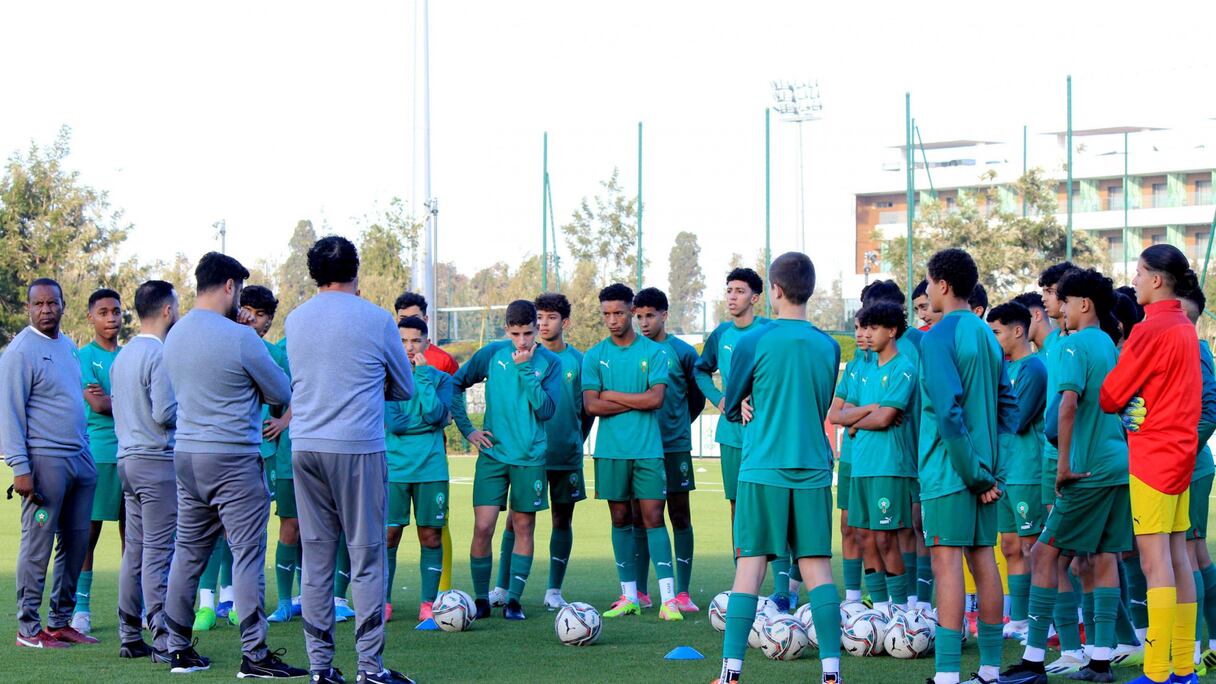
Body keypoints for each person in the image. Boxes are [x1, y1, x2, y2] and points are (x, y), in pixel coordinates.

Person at [161, 252, 302, 677]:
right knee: (246, 555)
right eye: (239, 290)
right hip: (233, 456)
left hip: (186, 455)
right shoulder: (242, 337)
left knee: (187, 554)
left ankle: (178, 648)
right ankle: (254, 655)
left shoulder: (176, 333)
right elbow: (280, 390)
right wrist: (249, 339)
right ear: (228, 286)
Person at [284, 236, 415, 684]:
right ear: (356, 270)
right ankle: (370, 668)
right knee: (366, 556)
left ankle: (321, 668)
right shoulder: (377, 319)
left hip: (304, 446)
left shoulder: (295, 320)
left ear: (313, 273)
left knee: (317, 558)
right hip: (357, 446)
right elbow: (405, 388)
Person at [713, 251, 843, 684]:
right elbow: (821, 403)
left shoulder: (755, 339)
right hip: (812, 467)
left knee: (749, 566)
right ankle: (831, 674)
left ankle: (731, 674)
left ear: (775, 290)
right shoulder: (827, 344)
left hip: (762, 468)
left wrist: (748, 401)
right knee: (817, 568)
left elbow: (732, 405)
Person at [1000, 268, 1130, 684]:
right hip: (1116, 464)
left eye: (1066, 301)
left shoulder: (1073, 346)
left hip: (1085, 468)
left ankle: (1034, 659)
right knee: (1101, 557)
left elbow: (1069, 405)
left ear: (1084, 305)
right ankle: (1099, 661)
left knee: (1043, 554)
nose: (1062, 308)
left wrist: (1064, 465)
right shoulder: (1109, 344)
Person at [1100, 244, 1203, 684]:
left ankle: (1159, 672)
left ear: (1157, 279)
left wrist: (1130, 403)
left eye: (1139, 273)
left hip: (1153, 458)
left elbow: (1109, 396)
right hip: (1181, 455)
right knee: (1179, 558)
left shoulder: (1150, 329)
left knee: (1155, 561)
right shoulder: (1184, 326)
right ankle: (1184, 668)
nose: (1135, 280)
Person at [918, 248, 1016, 684]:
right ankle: (990, 670)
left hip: (951, 473)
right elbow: (1007, 407)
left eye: (927, 283)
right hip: (984, 475)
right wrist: (994, 470)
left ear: (941, 285)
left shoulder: (938, 336)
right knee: (984, 561)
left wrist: (976, 475)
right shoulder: (986, 334)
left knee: (946, 565)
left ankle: (947, 675)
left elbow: (948, 412)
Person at [1, 278, 99, 649]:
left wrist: (85, 448)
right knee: (38, 544)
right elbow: (9, 413)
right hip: (45, 468)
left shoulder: (68, 347)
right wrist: (20, 468)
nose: (46, 310)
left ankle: (60, 622)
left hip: (79, 462)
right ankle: (28, 628)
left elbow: (73, 401)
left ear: (62, 306)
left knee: (76, 541)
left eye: (52, 303)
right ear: (29, 308)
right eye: (38, 304)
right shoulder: (20, 352)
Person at [450, 300, 561, 621]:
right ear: (506, 330)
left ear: (537, 329)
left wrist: (526, 369)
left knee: (524, 526)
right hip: (493, 455)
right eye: (516, 334)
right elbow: (456, 383)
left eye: (528, 333)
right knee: (483, 527)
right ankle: (481, 599)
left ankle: (514, 600)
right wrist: (468, 429)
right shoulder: (492, 354)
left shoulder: (549, 362)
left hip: (530, 457)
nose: (523, 341)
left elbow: (546, 410)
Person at [583, 283, 683, 621]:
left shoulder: (655, 354)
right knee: (620, 519)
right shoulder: (594, 355)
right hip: (610, 452)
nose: (612, 320)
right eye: (606, 314)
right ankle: (629, 597)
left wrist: (612, 394)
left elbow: (655, 400)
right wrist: (630, 399)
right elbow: (592, 405)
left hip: (647, 451)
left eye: (619, 313)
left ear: (630, 311)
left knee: (654, 518)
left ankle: (669, 600)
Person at [111, 280, 180, 662]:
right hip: (156, 461)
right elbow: (165, 412)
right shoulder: (159, 355)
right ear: (167, 310)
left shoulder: (123, 355)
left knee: (134, 552)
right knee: (158, 551)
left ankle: (129, 633)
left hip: (127, 461)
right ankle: (163, 638)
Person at [694, 268, 772, 590]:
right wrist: (721, 398)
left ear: (755, 298)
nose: (731, 296)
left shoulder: (769, 331)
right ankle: (742, 577)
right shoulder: (721, 334)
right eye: (728, 290)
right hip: (731, 435)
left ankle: (781, 590)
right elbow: (700, 371)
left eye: (739, 291)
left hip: (765, 434)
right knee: (737, 507)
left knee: (771, 506)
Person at [631, 287, 705, 613]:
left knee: (679, 513)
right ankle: (641, 591)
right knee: (641, 515)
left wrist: (678, 423)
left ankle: (684, 592)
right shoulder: (633, 351)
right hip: (640, 446)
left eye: (650, 315)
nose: (644, 323)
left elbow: (697, 396)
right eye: (639, 316)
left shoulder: (683, 352)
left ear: (664, 314)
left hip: (674, 446)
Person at [846, 301, 918, 616]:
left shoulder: (903, 367)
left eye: (875, 328)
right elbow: (838, 414)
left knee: (887, 539)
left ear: (892, 331)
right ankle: (879, 609)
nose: (868, 334)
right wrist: (863, 415)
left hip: (890, 466)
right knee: (864, 537)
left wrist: (854, 423)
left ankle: (902, 612)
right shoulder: (865, 370)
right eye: (866, 327)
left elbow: (886, 418)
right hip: (861, 466)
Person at [985, 302, 1047, 644]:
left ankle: (1041, 620)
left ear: (1017, 331)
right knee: (1009, 545)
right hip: (1004, 471)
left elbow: (1016, 419)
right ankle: (1020, 618)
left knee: (1032, 547)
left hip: (1026, 470)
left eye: (997, 332)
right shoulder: (1003, 368)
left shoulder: (1033, 369)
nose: (993, 340)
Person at [386, 316, 453, 623]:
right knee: (388, 536)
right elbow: (395, 423)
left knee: (431, 536)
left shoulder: (440, 379)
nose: (409, 347)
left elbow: (438, 415)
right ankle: (382, 602)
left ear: (426, 342)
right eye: (402, 341)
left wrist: (424, 375)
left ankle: (429, 603)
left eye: (415, 340)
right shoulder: (384, 378)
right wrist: (427, 423)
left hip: (431, 469)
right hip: (394, 469)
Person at [71, 288, 124, 635]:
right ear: (90, 317)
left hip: (132, 453)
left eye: (116, 312)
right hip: (98, 454)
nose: (111, 318)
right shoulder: (82, 357)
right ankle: (81, 608)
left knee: (134, 536)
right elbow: (99, 406)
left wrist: (113, 400)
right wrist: (127, 402)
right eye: (103, 312)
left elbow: (112, 402)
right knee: (88, 534)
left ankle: (135, 607)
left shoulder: (130, 356)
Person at [535, 293, 592, 610]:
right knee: (518, 520)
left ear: (565, 322)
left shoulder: (578, 361)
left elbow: (587, 412)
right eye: (539, 317)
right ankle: (503, 587)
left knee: (562, 519)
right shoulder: (526, 356)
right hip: (529, 455)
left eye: (551, 317)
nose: (543, 324)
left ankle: (553, 590)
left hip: (566, 455)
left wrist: (574, 440)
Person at [1179, 286, 1216, 674]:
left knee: (1188, 553)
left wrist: (1184, 450)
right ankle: (1206, 644)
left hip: (1189, 465)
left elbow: (1211, 407)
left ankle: (1190, 651)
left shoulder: (1194, 344)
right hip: (1183, 462)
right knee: (1194, 552)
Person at [828, 313, 870, 608]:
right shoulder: (853, 365)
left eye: (866, 327)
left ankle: (888, 599)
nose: (860, 333)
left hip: (879, 459)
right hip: (851, 459)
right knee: (847, 525)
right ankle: (853, 598)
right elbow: (836, 413)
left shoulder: (895, 362)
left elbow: (888, 411)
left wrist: (854, 415)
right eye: (856, 327)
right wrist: (865, 412)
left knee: (879, 531)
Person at [394, 291, 459, 375]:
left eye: (415, 318)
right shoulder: (387, 358)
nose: (409, 322)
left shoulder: (444, 361)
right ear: (396, 321)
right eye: (403, 318)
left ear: (425, 319)